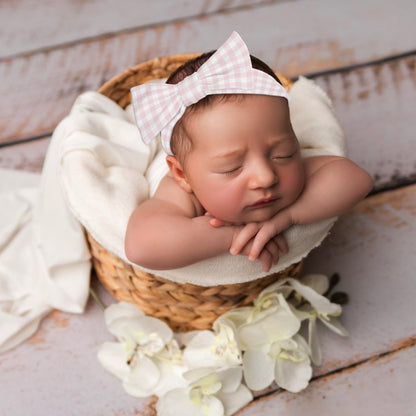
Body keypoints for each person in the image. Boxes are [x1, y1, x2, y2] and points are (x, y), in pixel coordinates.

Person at [125, 32, 373, 272]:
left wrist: (288, 217)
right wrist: (234, 236)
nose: (266, 177)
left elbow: (355, 178)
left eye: (283, 154)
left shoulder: (286, 168)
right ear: (182, 174)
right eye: (231, 168)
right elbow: (141, 246)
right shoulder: (179, 192)